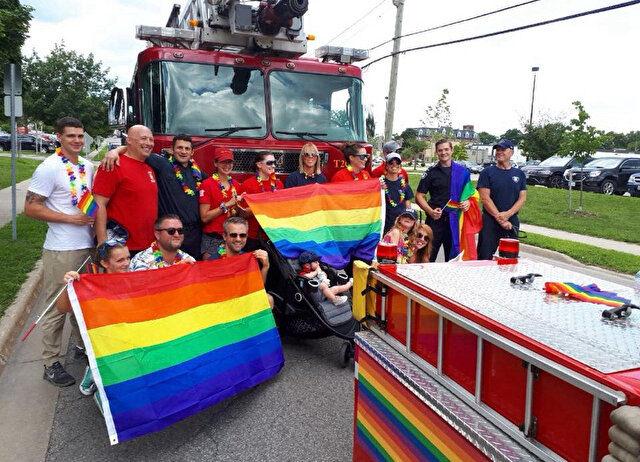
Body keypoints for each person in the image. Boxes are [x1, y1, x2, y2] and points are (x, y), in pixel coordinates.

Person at [24, 116, 95, 387]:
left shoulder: (87, 166)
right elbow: (31, 208)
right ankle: (50, 361)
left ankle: (80, 345)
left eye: (80, 136)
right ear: (59, 138)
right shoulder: (49, 167)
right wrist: (71, 219)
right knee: (58, 305)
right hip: (62, 248)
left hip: (87, 244)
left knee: (83, 302)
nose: (76, 140)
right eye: (70, 136)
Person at [102, 134, 207, 259]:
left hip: (195, 235)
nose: (183, 152)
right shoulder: (162, 164)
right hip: (170, 233)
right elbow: (137, 150)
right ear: (172, 150)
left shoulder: (197, 172)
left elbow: (217, 182)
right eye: (179, 148)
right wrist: (115, 151)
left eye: (187, 148)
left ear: (192, 152)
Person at [56, 238, 131, 402]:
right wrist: (67, 285)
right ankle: (94, 371)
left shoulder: (135, 276)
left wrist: (184, 265)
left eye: (128, 258)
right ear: (105, 263)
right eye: (120, 260)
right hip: (102, 339)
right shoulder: (89, 284)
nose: (127, 263)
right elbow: (62, 309)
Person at [93, 125, 158, 255]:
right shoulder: (112, 165)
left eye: (151, 140)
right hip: (121, 248)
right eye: (143, 138)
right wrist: (102, 243)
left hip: (148, 246)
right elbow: (98, 204)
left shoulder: (149, 168)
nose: (149, 143)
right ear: (129, 140)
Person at [415, 139, 470, 262]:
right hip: (435, 220)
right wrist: (430, 211)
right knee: (427, 256)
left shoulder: (463, 172)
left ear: (452, 150)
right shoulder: (431, 172)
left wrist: (468, 202)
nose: (443, 152)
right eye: (440, 150)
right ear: (436, 152)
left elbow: (470, 194)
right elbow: (419, 196)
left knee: (453, 258)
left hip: (454, 220)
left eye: (446, 149)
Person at [477, 139, 527, 260]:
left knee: (509, 259)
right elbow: (485, 198)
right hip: (490, 221)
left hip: (511, 221)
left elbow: (522, 198)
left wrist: (508, 214)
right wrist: (501, 219)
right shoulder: (487, 172)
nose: (499, 152)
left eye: (503, 149)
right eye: (497, 150)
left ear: (511, 152)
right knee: (485, 258)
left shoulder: (519, 174)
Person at [210, 216, 273, 307]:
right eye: (233, 235)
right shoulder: (213, 261)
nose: (238, 239)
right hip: (222, 304)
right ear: (224, 236)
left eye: (242, 235)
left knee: (268, 299)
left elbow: (257, 289)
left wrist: (265, 266)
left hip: (244, 300)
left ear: (247, 236)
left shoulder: (248, 258)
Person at [199, 149, 245, 259]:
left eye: (230, 162)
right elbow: (204, 217)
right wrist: (228, 204)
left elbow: (238, 215)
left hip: (233, 238)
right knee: (210, 273)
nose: (227, 165)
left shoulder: (237, 185)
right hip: (213, 239)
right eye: (223, 162)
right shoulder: (207, 184)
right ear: (215, 163)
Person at [238, 152, 284, 248]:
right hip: (253, 237)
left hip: (274, 236)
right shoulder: (247, 184)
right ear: (259, 165)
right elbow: (242, 214)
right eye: (270, 163)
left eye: (274, 163)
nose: (274, 165)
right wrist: (263, 204)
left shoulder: (279, 184)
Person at [130, 214, 196, 270]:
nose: (177, 235)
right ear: (157, 234)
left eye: (180, 230)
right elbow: (144, 285)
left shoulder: (189, 260)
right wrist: (174, 270)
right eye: (171, 231)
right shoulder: (141, 260)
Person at [380, 152, 414, 234]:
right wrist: (379, 189)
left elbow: (408, 206)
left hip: (400, 226)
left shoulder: (404, 185)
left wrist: (408, 223)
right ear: (386, 166)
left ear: (400, 166)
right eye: (391, 163)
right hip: (384, 224)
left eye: (397, 162)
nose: (394, 165)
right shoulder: (380, 184)